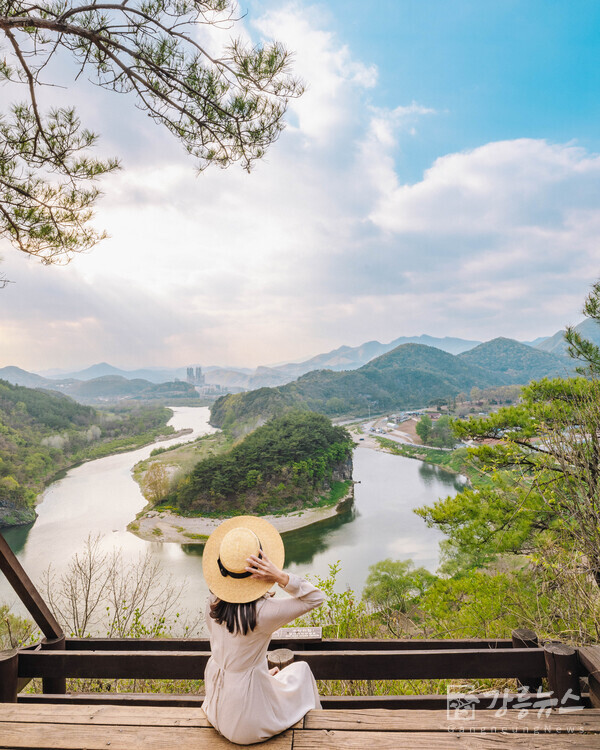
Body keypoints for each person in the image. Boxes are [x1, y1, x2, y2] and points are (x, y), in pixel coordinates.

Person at [201, 515, 325, 745]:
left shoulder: (212, 603)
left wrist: (260, 675)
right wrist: (280, 576)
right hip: (245, 722)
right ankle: (317, 736)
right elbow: (315, 598)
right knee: (302, 671)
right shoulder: (263, 612)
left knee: (280, 679)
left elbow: (235, 654)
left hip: (215, 707)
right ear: (261, 567)